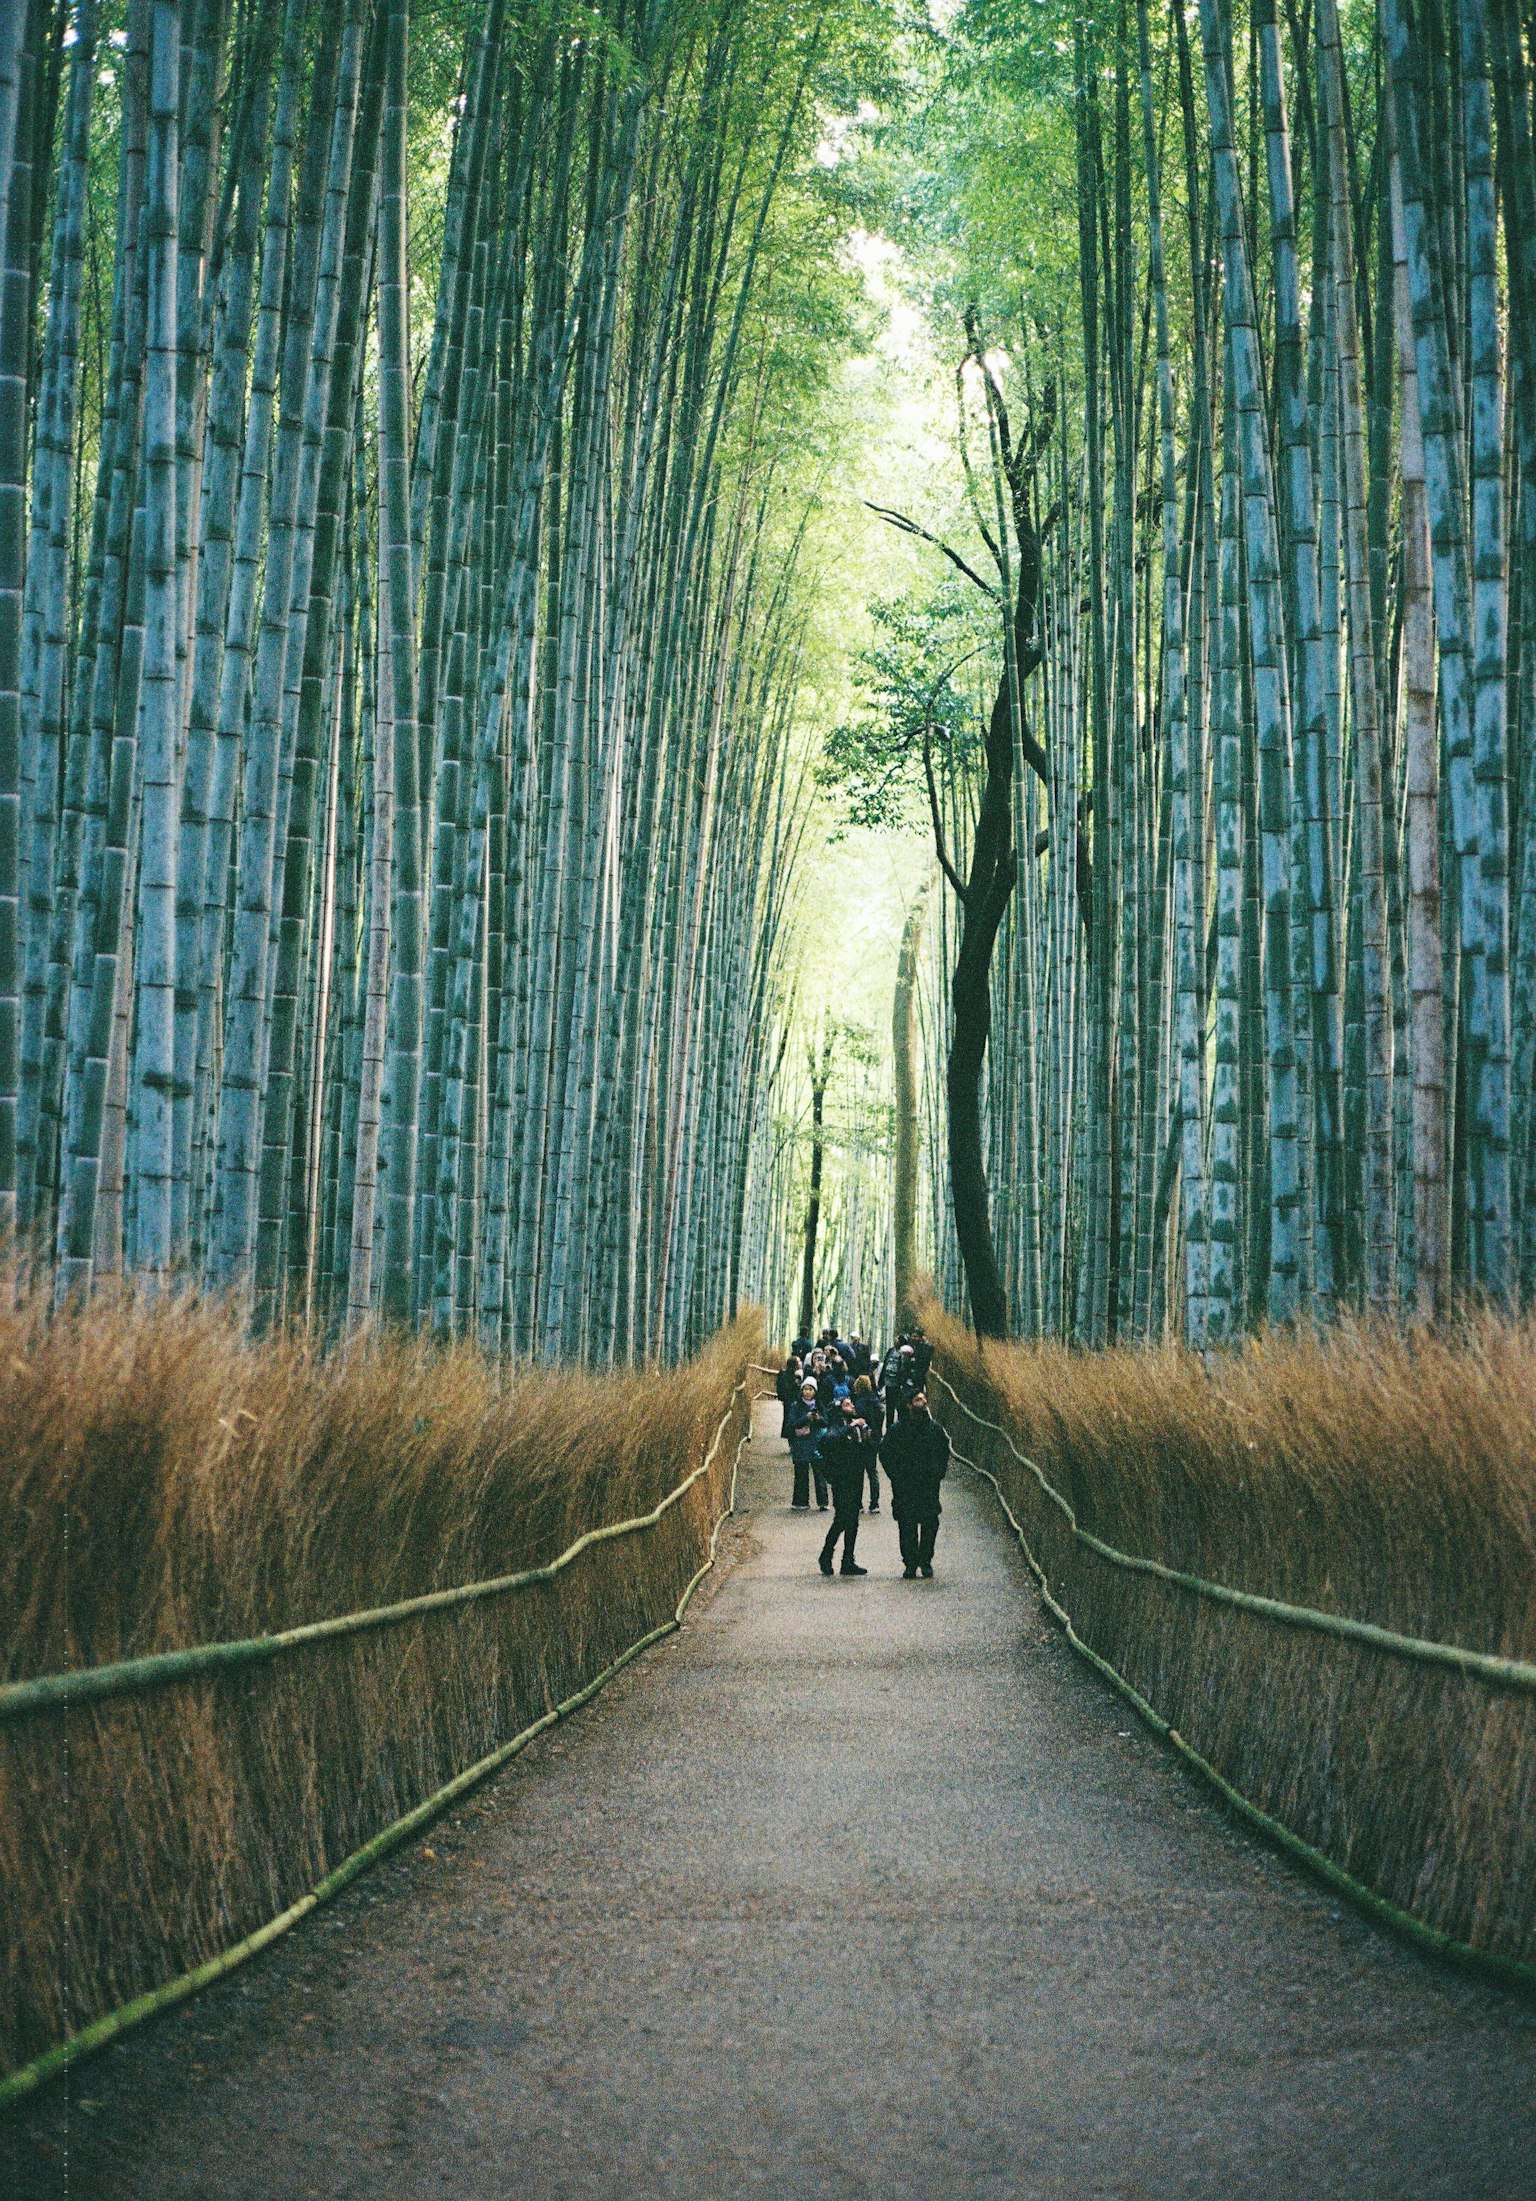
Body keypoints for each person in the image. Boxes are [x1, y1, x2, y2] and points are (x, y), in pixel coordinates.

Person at [879, 1390, 949, 1577]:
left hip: (928, 1484)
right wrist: (896, 1476)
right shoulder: (898, 1430)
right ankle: (910, 1562)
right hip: (906, 1485)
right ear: (909, 1404)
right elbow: (885, 1453)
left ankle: (925, 1560)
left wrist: (938, 1473)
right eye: (918, 1399)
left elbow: (943, 1453)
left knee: (929, 1523)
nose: (924, 1401)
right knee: (907, 1524)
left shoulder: (934, 1430)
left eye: (924, 1398)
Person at [816, 1400, 868, 1576]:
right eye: (847, 1405)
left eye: (851, 1404)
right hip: (841, 1479)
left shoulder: (855, 1426)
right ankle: (826, 1554)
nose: (852, 1406)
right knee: (842, 1519)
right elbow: (829, 1440)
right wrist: (852, 1425)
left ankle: (848, 1560)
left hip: (855, 1477)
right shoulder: (837, 1425)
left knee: (853, 1520)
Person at [786, 1380, 829, 1510]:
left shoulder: (819, 1405)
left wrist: (817, 1418)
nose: (808, 1392)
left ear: (815, 1391)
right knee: (801, 1473)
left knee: (819, 1473)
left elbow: (826, 1422)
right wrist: (806, 1418)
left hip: (816, 1442)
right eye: (805, 1389)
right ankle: (800, 1501)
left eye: (810, 1389)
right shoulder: (796, 1405)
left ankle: (823, 1502)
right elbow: (792, 1424)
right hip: (801, 1443)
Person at [851, 1372, 884, 1509]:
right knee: (872, 1471)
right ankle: (874, 1502)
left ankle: (858, 1503)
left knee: (858, 1472)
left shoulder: (859, 1402)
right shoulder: (876, 1401)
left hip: (861, 1440)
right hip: (874, 1439)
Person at [776, 1354, 803, 1440]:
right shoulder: (793, 1375)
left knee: (788, 1416)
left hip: (788, 1399)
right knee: (790, 1417)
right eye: (798, 1361)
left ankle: (788, 1434)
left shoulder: (786, 1374)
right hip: (791, 1399)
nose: (800, 1363)